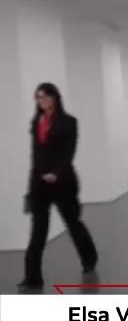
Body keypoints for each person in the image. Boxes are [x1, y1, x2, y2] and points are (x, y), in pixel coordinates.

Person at [20, 83, 98, 288]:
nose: (42, 101)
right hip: (40, 185)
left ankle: (89, 259)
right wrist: (31, 186)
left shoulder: (69, 122)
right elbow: (36, 156)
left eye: (45, 96)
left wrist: (56, 173)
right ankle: (32, 278)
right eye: (38, 97)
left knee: (73, 223)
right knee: (38, 231)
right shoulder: (36, 121)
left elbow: (68, 153)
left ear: (55, 98)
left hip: (63, 183)